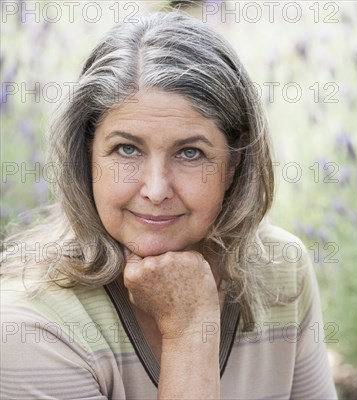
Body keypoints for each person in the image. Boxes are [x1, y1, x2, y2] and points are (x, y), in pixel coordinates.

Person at [0, 12, 337, 399]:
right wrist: (190, 330)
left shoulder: (281, 269)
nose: (156, 189)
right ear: (86, 156)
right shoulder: (28, 325)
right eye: (126, 149)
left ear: (234, 163)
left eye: (190, 153)